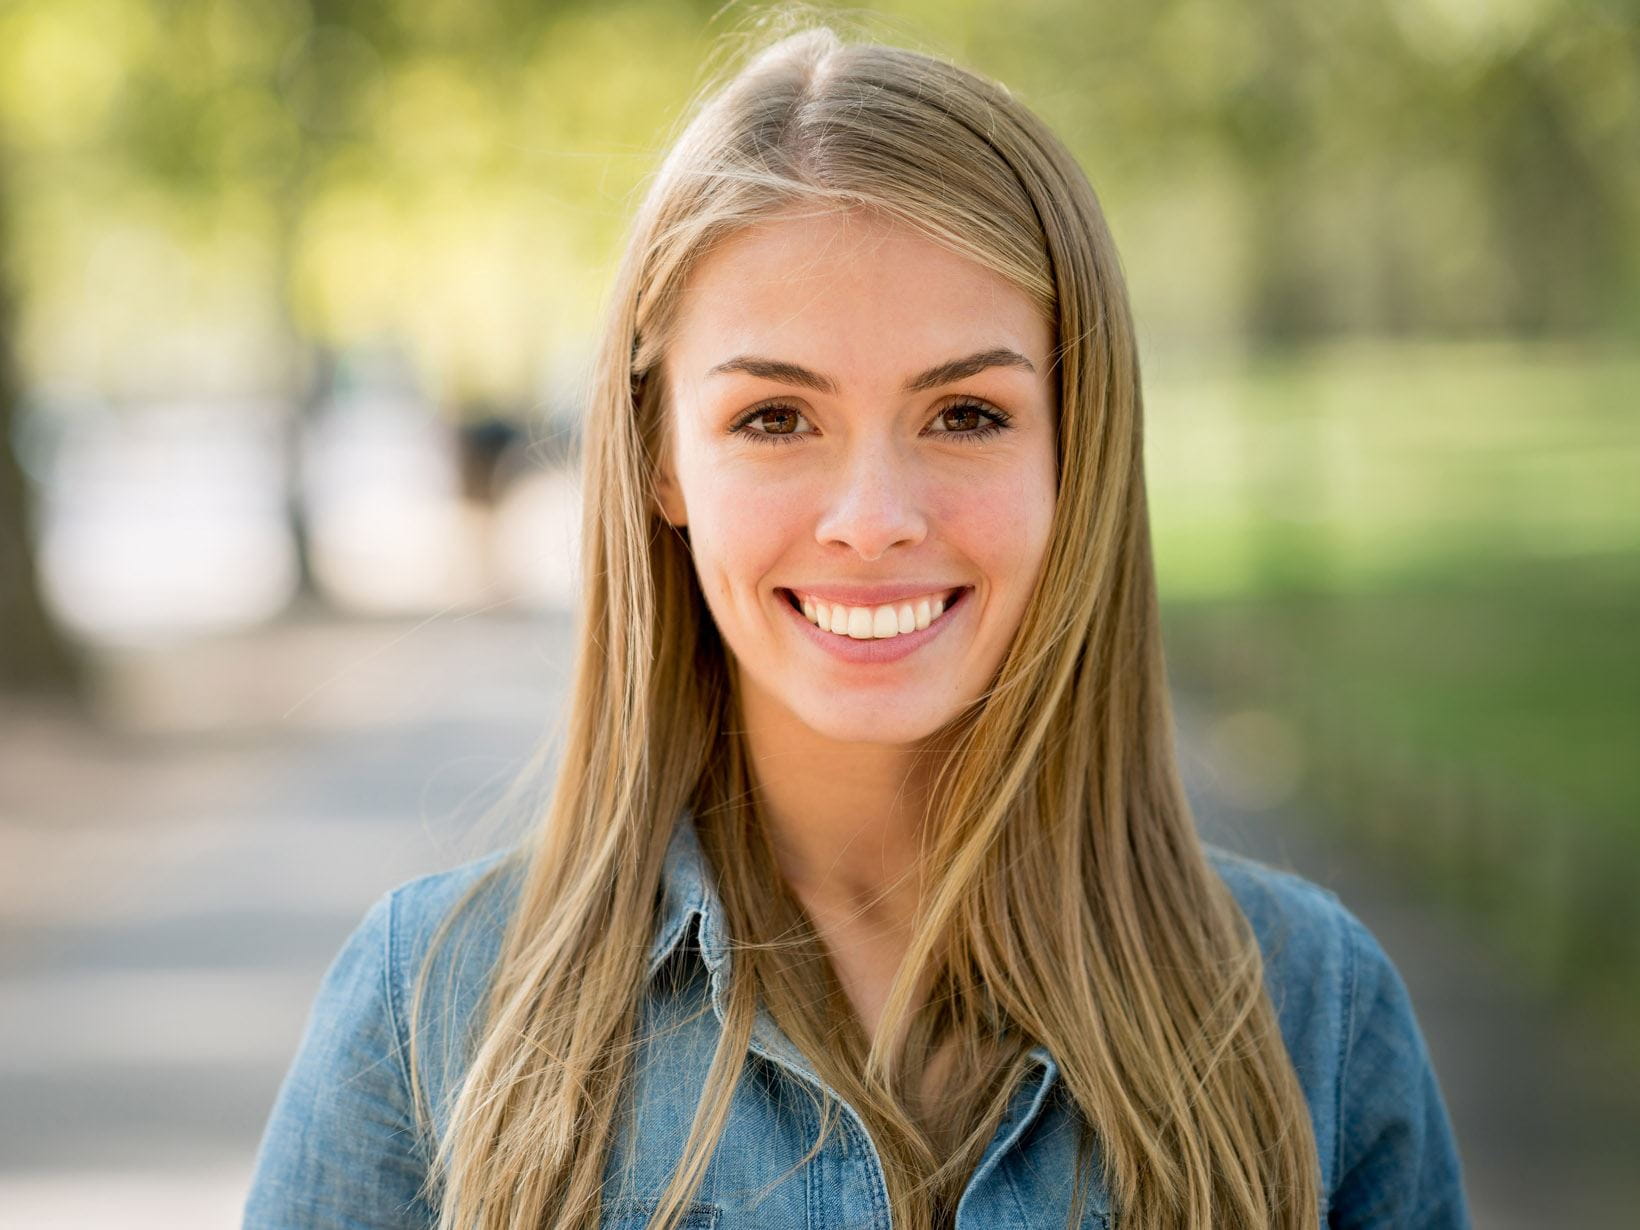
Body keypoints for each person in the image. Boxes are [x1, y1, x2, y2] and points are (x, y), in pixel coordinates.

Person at [243, 23, 1469, 1230]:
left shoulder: (1310, 1014)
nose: (871, 519)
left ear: (1074, 452)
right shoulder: (430, 1011)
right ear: (661, 461)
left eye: (966, 414)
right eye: (774, 418)